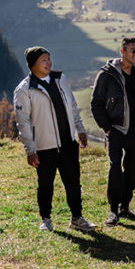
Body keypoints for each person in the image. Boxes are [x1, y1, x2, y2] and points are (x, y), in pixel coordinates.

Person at [13, 46, 95, 233]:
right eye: (43, 60)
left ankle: (77, 218)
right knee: (45, 184)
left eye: (49, 59)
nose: (48, 63)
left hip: (67, 143)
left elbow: (72, 106)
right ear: (33, 64)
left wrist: (80, 129)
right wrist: (30, 150)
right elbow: (23, 122)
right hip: (44, 146)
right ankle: (46, 219)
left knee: (73, 182)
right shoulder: (24, 90)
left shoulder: (60, 79)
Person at [90, 36, 135, 226]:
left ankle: (125, 206)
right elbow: (96, 103)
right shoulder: (107, 75)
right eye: (133, 50)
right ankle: (113, 211)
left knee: (133, 171)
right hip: (115, 130)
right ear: (122, 52)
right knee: (115, 167)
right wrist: (107, 128)